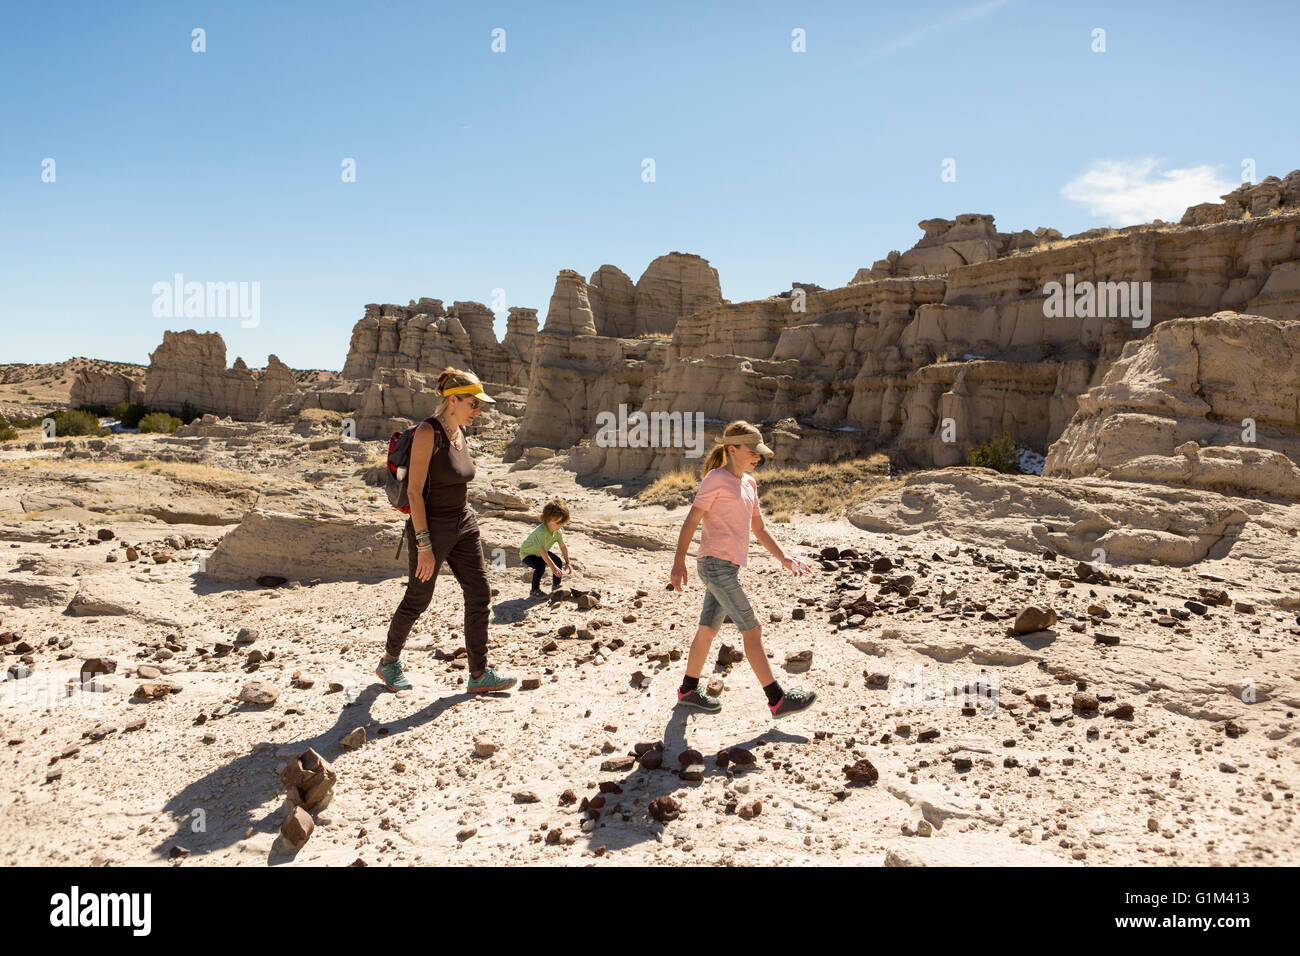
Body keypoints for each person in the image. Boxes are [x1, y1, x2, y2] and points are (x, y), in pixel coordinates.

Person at [377, 367, 516, 694]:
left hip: (463, 523)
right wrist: (424, 544)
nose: (478, 411)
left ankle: (479, 674)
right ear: (452, 401)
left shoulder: (460, 432)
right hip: (432, 528)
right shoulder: (429, 432)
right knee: (418, 597)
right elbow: (414, 492)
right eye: (473, 404)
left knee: (479, 593)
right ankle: (389, 661)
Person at [669, 420, 816, 720]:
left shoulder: (749, 483)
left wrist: (785, 558)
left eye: (760, 454)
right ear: (732, 450)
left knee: (707, 630)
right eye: (753, 452)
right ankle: (777, 700)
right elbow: (691, 521)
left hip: (728, 570)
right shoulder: (715, 479)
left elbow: (759, 528)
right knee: (753, 629)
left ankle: (688, 691)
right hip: (714, 567)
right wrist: (678, 561)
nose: (758, 458)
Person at [519, 498, 571, 597]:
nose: (560, 526)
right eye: (558, 523)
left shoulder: (557, 531)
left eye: (562, 524)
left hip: (540, 553)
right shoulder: (541, 532)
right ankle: (534, 590)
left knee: (558, 561)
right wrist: (553, 568)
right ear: (547, 519)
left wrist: (567, 561)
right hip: (528, 554)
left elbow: (563, 547)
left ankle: (556, 585)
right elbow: (543, 552)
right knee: (540, 567)